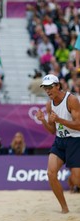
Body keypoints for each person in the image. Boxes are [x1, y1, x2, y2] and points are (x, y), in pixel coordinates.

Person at [36, 74, 80, 213]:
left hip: (75, 140)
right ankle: (64, 209)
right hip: (60, 141)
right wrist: (43, 120)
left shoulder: (71, 100)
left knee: (77, 180)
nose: (48, 91)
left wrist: (60, 120)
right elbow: (51, 131)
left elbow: (79, 125)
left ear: (58, 86)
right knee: (51, 173)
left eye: (50, 87)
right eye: (45, 88)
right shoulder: (49, 105)